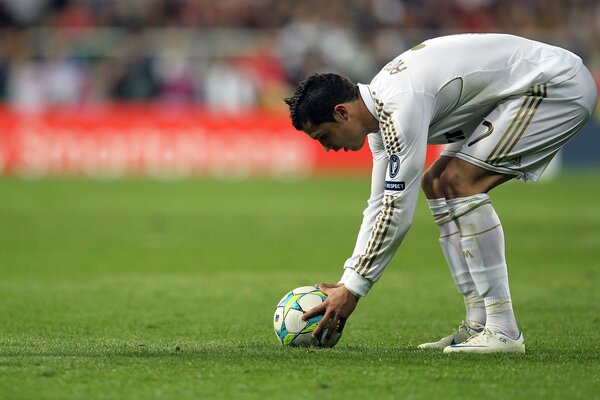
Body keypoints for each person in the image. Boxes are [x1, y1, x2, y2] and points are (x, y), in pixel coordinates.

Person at [283, 33, 597, 354]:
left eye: (323, 136)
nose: (327, 148)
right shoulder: (380, 112)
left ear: (342, 112)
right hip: (519, 92)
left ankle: (503, 329)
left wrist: (354, 289)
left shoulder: (399, 103)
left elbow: (396, 211)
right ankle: (477, 322)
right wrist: (349, 279)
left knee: (461, 184)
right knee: (436, 182)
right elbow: (380, 204)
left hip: (556, 85)